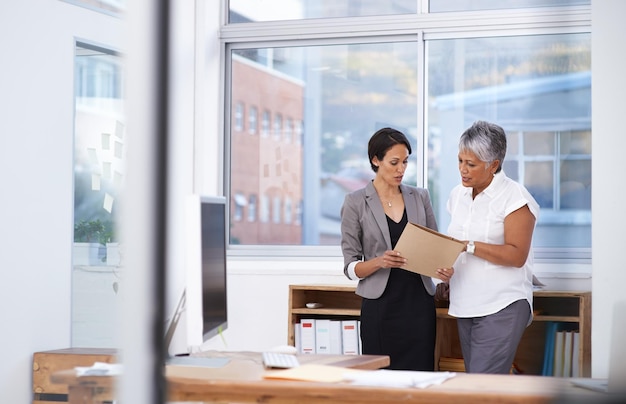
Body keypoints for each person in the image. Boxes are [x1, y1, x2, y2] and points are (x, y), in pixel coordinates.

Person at [340, 127, 453, 371]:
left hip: (419, 304)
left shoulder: (420, 197)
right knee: (380, 381)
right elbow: (350, 268)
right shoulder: (355, 202)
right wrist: (380, 261)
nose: (401, 169)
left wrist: (444, 269)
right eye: (394, 162)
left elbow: (435, 248)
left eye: (405, 162)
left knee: (420, 377)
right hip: (381, 306)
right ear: (375, 160)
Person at [445, 120, 539, 374]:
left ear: (493, 165)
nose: (463, 170)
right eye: (460, 161)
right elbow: (455, 246)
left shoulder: (515, 198)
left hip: (502, 304)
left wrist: (470, 246)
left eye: (471, 164)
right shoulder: (458, 195)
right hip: (464, 303)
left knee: (481, 385)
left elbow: (517, 255)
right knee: (478, 386)